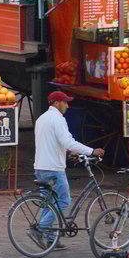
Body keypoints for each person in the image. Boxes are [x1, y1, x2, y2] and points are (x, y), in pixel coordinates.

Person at [36, 91, 101, 244]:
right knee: (64, 200)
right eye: (65, 102)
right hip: (54, 168)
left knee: (49, 204)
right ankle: (40, 228)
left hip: (40, 166)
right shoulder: (58, 119)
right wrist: (91, 151)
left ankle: (51, 240)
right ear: (57, 103)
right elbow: (68, 141)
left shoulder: (42, 119)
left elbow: (53, 142)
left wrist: (71, 153)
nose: (67, 105)